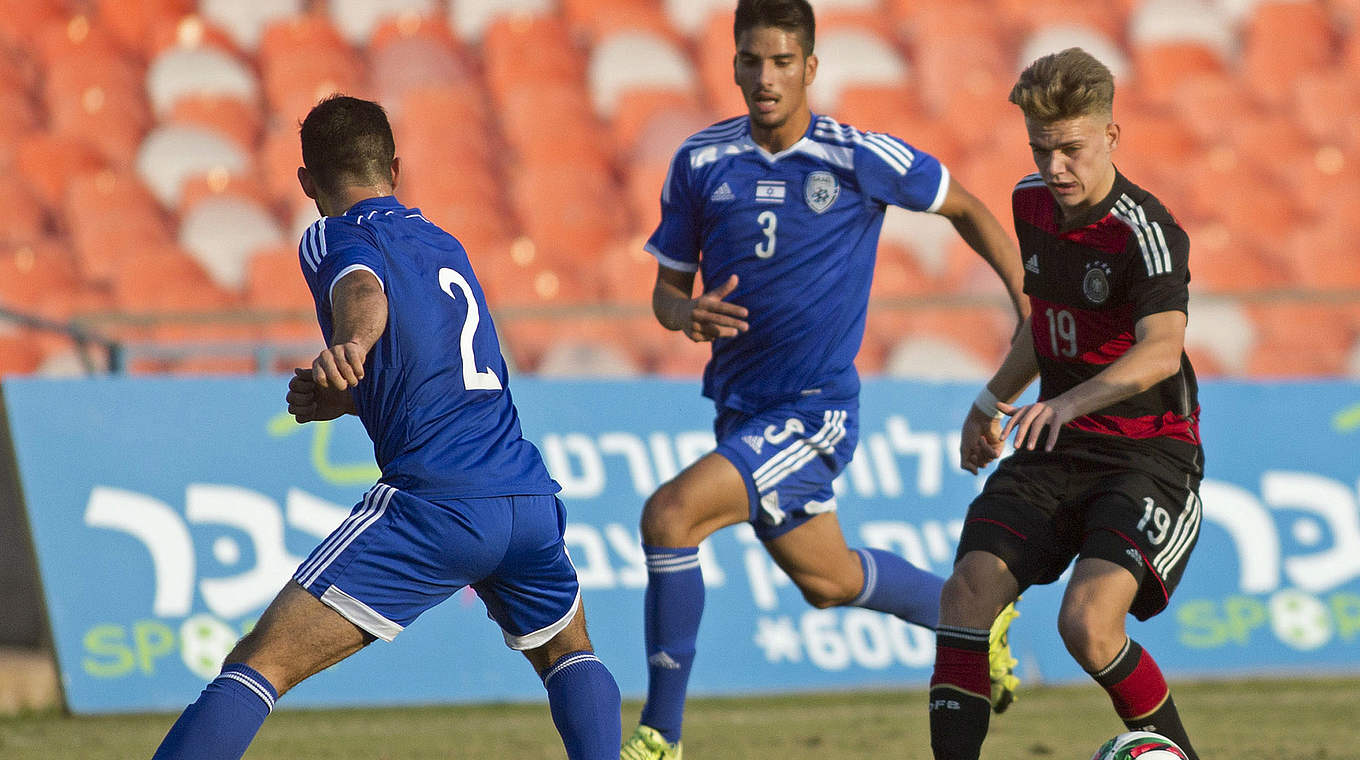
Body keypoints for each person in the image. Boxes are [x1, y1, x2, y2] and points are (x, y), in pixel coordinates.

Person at [149, 95, 621, 760]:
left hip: (438, 503)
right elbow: (439, 369)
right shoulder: (445, 244)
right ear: (395, 168)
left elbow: (363, 290)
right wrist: (352, 398)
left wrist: (350, 345)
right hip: (526, 496)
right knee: (569, 653)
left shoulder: (332, 231)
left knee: (259, 664)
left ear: (307, 182)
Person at [621, 2, 1030, 758]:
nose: (765, 77)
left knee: (670, 515)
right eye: (751, 60)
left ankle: (658, 738)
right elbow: (664, 293)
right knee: (831, 581)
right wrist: (686, 315)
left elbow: (965, 206)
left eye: (782, 62)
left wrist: (1026, 301)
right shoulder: (700, 161)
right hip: (740, 410)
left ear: (810, 67)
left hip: (813, 414)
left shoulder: (856, 156)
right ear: (734, 64)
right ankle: (970, 617)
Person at [927, 48, 1203, 760]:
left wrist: (1066, 403)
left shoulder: (1148, 232)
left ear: (1111, 137)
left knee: (1087, 627)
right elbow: (1043, 325)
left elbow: (1161, 351)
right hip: (1058, 448)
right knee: (965, 595)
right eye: (1042, 149)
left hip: (1147, 456)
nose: (1055, 168)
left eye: (1071, 149)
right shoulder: (1030, 203)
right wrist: (989, 401)